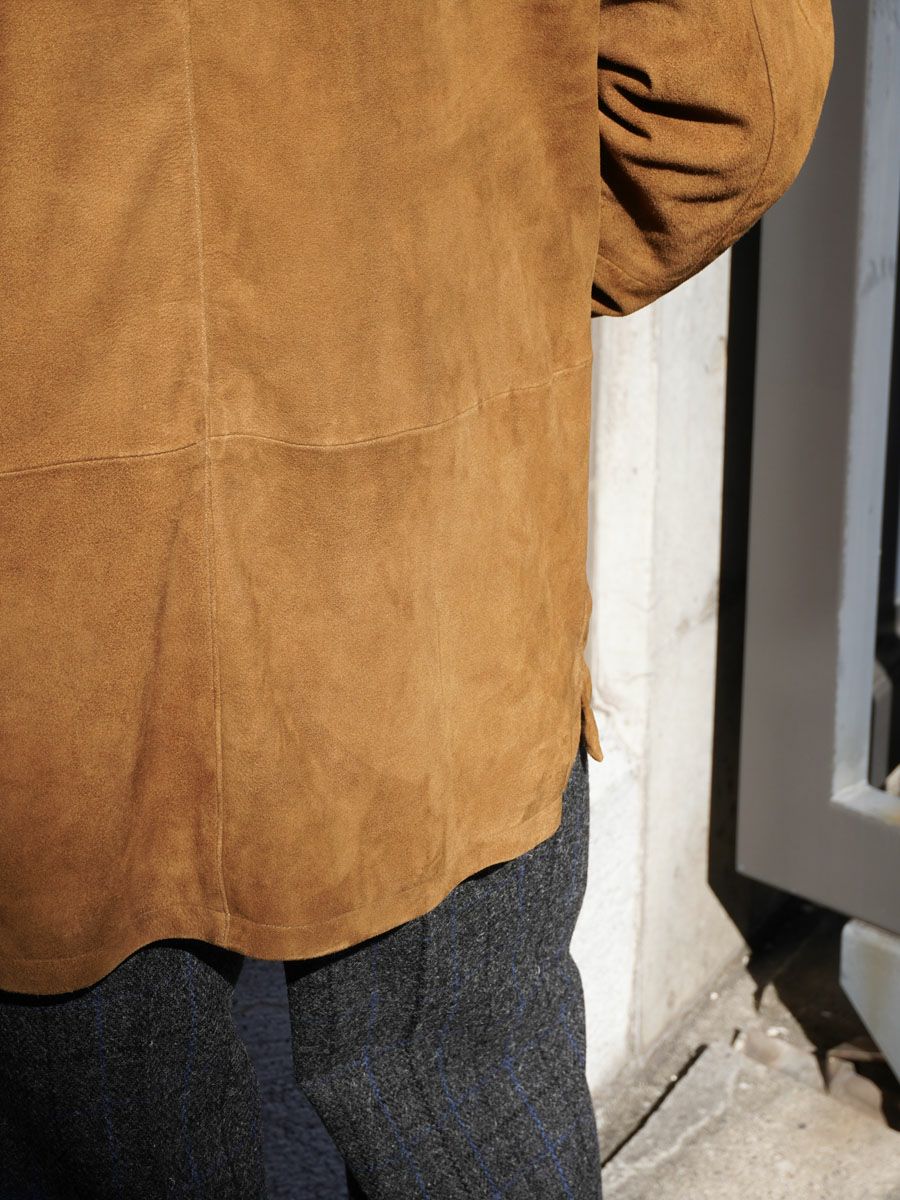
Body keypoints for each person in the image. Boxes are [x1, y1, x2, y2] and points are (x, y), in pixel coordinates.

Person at [0, 1, 833, 1196]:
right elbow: (737, 90)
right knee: (462, 1098)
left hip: (48, 612)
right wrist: (495, 296)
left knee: (107, 1128)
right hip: (437, 577)